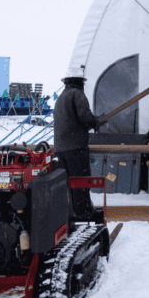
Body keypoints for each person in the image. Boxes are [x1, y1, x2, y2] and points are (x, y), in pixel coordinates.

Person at [53, 67, 103, 219]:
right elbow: (84, 116)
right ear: (79, 82)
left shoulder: (61, 97)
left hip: (61, 149)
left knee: (70, 182)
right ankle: (84, 212)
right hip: (76, 148)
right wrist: (95, 122)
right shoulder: (77, 94)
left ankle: (73, 211)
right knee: (81, 181)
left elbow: (72, 120)